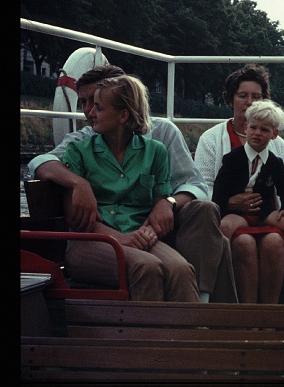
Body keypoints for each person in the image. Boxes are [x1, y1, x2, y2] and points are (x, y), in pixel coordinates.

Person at [29, 64, 237, 303]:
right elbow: (41, 162)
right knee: (209, 247)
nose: (88, 111)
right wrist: (79, 184)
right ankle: (170, 329)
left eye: (97, 103)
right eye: (84, 102)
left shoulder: (160, 138)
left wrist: (166, 203)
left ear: (123, 105)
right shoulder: (81, 145)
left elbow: (195, 185)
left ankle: (197, 317)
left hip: (157, 227)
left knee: (205, 213)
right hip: (108, 237)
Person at [194, 63, 284, 303]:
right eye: (242, 96)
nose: (249, 102)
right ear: (231, 100)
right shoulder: (212, 139)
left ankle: (270, 317)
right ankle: (242, 313)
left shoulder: (276, 145)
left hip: (266, 213)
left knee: (273, 242)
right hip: (230, 215)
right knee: (244, 243)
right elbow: (203, 188)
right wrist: (230, 203)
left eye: (256, 97)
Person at [59, 75, 199, 300]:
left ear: (123, 115)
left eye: (98, 107)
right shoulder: (78, 153)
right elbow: (75, 219)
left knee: (181, 269)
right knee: (147, 267)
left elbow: (159, 206)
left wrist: (148, 232)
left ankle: (188, 335)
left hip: (139, 236)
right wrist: (120, 238)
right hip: (91, 242)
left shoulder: (155, 152)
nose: (90, 113)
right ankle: (145, 335)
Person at [212, 100, 284, 300]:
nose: (257, 133)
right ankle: (216, 271)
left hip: (264, 212)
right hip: (238, 213)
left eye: (264, 130)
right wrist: (226, 204)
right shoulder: (232, 159)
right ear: (246, 128)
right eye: (253, 127)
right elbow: (219, 191)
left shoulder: (275, 162)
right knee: (224, 226)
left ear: (274, 135)